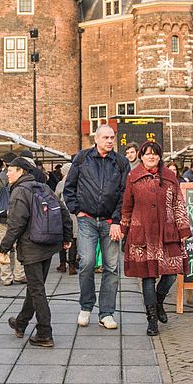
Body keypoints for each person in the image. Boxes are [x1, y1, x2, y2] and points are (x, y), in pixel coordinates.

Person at [121, 140, 192, 336]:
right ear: (141, 156)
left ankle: (159, 301)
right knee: (148, 277)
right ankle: (151, 319)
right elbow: (127, 207)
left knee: (171, 273)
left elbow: (178, 204)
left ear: (160, 156)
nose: (151, 157)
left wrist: (183, 229)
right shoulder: (133, 177)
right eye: (147, 153)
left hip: (167, 233)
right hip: (142, 234)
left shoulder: (170, 177)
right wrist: (124, 232)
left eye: (155, 153)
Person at [1, 155, 73, 348]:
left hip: (31, 246)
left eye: (10, 169)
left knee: (37, 290)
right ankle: (21, 322)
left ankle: (44, 332)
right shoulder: (44, 187)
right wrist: (66, 237)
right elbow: (63, 211)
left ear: (21, 171)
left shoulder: (19, 192)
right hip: (47, 245)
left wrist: (3, 249)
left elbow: (15, 224)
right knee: (35, 287)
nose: (7, 173)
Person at [63, 124, 130, 329]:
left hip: (110, 222)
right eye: (106, 137)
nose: (110, 141)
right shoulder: (82, 159)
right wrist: (77, 211)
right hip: (88, 220)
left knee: (112, 267)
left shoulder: (121, 162)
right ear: (96, 139)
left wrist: (117, 220)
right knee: (87, 262)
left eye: (112, 137)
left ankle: (106, 313)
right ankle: (86, 306)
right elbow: (69, 188)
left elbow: (124, 194)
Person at [0, 153, 25, 286]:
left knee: (2, 246)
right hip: (17, 217)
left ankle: (6, 277)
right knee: (18, 246)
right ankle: (19, 275)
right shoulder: (19, 177)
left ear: (4, 163)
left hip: (1, 218)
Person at [54, 162, 78, 273]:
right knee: (73, 238)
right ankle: (72, 265)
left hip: (62, 214)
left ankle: (62, 264)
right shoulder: (78, 182)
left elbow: (55, 199)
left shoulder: (60, 184)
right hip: (74, 213)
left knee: (63, 238)